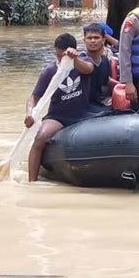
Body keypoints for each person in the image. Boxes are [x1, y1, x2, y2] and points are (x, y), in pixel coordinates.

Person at [25, 33, 94, 182]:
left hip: (82, 114)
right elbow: (34, 97)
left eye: (63, 57)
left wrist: (74, 59)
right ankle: (32, 182)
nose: (60, 60)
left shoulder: (84, 60)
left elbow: (88, 69)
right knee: (40, 138)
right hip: (58, 116)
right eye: (58, 56)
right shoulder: (49, 71)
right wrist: (29, 113)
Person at [83, 23, 117, 111]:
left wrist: (123, 86)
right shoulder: (80, 60)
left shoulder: (105, 60)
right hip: (81, 105)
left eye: (96, 38)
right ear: (84, 40)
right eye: (89, 38)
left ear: (103, 40)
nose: (93, 41)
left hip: (98, 102)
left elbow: (106, 80)